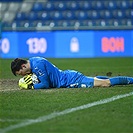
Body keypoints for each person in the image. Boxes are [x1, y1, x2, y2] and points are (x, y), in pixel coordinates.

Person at [11, 57, 133, 90]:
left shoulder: (37, 65)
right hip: (68, 76)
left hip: (71, 80)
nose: (22, 75)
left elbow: (45, 84)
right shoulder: (33, 61)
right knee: (96, 79)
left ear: (23, 66)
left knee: (105, 84)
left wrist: (31, 87)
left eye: (20, 72)